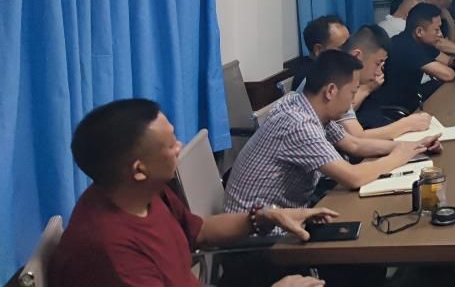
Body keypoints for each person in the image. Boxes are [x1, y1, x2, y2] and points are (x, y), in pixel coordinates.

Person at [50, 98, 334, 287]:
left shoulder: (145, 193)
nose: (179, 147)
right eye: (170, 144)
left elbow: (201, 231)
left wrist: (267, 216)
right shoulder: (111, 252)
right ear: (139, 170)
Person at [224, 51, 441, 213]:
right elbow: (353, 177)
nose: (352, 102)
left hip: (288, 215)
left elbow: (354, 144)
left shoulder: (305, 105)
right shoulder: (298, 124)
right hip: (260, 235)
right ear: (330, 91)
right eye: (352, 93)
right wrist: (397, 157)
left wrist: (413, 147)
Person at [372, 2, 455, 114]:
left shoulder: (418, 42)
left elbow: (447, 60)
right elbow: (448, 75)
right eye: (436, 30)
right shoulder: (406, 47)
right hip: (399, 108)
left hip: (413, 99)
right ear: (419, 31)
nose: (440, 34)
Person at [338, 25, 434, 138]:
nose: (379, 72)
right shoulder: (336, 84)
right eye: (378, 63)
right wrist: (407, 124)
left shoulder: (365, 84)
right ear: (357, 56)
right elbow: (357, 138)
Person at [290, 14, 350, 90]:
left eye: (350, 44)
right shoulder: (310, 81)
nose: (350, 51)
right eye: (343, 47)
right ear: (319, 50)